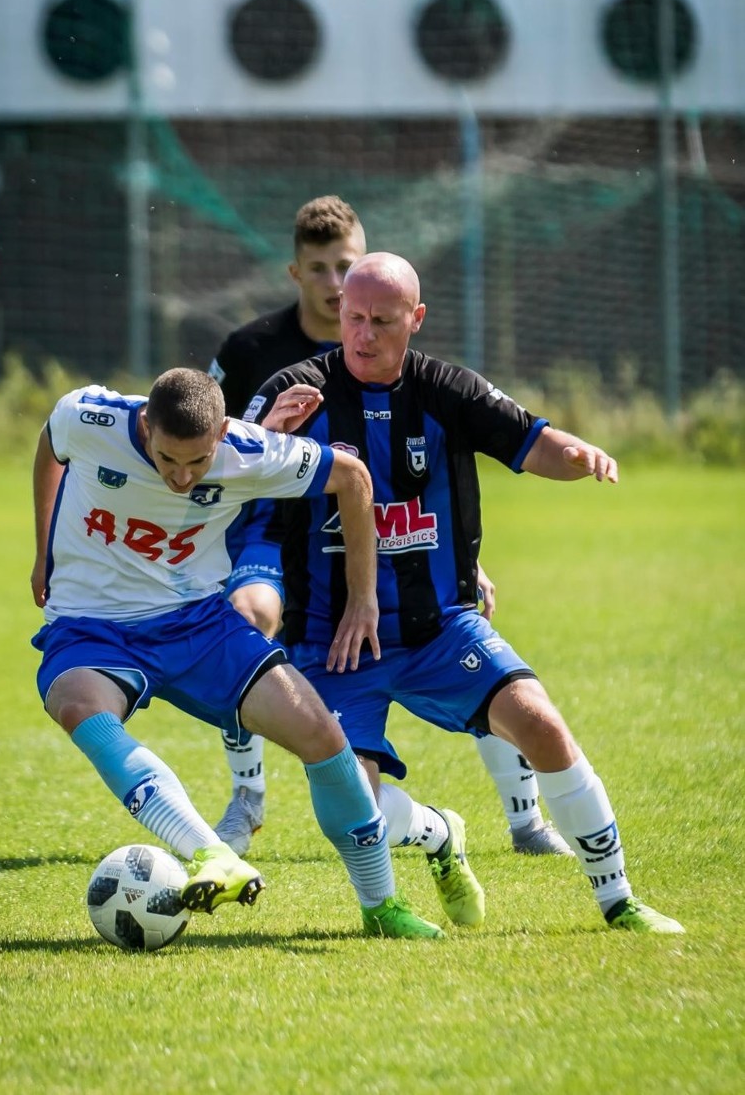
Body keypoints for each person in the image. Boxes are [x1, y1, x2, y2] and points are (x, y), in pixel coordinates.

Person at [247, 253, 685, 935]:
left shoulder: (447, 390)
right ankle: (435, 836)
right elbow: (227, 470)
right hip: (330, 641)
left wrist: (579, 455)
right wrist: (264, 437)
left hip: (440, 626)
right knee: (348, 805)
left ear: (415, 320)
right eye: (352, 318)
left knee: (540, 722)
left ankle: (618, 899)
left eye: (382, 321)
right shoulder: (294, 391)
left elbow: (530, 442)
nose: (362, 334)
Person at [30, 366, 470, 939]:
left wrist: (363, 598)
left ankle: (382, 907)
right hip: (91, 626)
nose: (182, 477)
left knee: (322, 736)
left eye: (198, 462)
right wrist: (43, 549)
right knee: (77, 704)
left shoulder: (248, 450)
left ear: (223, 436)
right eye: (167, 460)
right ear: (144, 426)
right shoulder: (90, 416)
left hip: (199, 625)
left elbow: (354, 480)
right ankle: (213, 855)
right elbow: (49, 443)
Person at [209, 195, 569, 863]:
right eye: (318, 270)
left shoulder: (406, 365)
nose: (332, 284)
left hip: (390, 533)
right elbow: (205, 443)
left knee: (467, 629)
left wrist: (462, 560)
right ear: (296, 274)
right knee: (250, 617)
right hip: (270, 533)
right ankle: (246, 797)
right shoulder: (254, 351)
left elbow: (425, 479)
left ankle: (525, 819)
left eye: (343, 268)